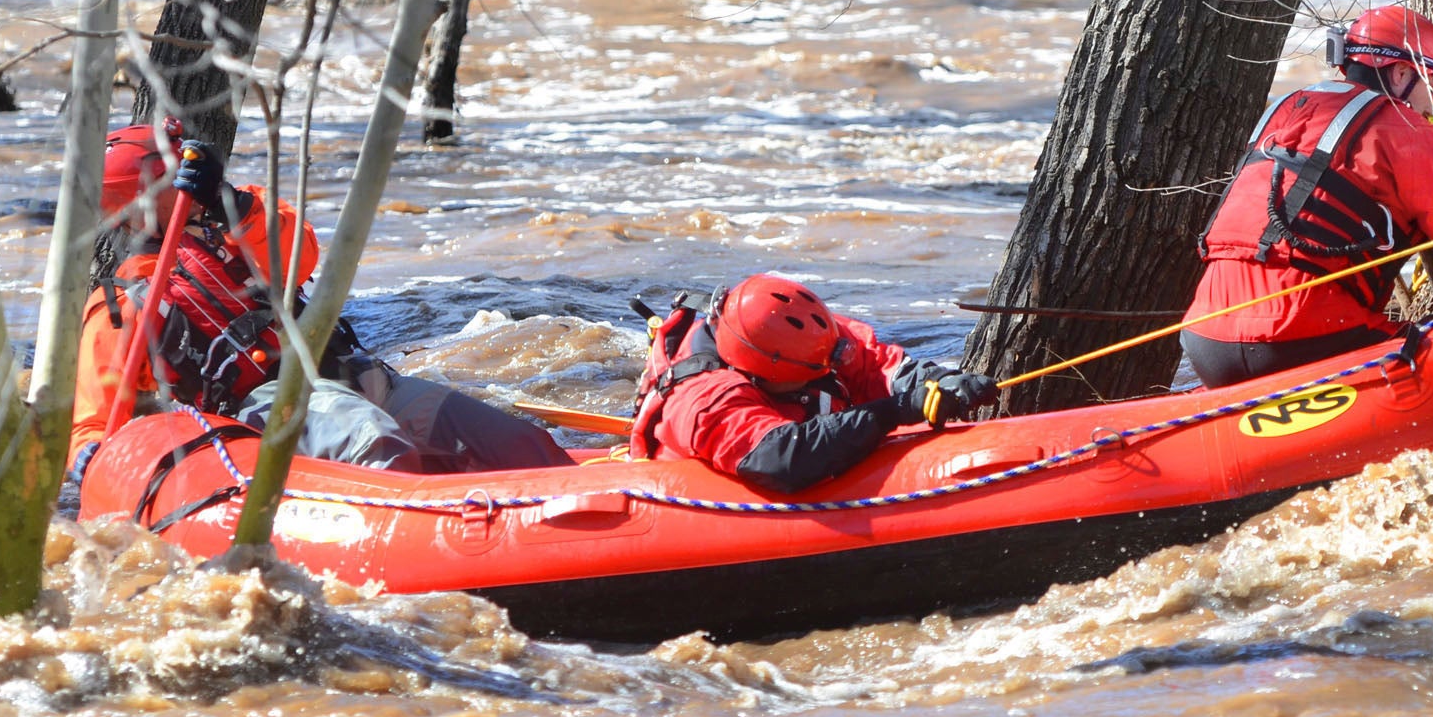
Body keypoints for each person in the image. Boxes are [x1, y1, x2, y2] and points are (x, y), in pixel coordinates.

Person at [68, 120, 572, 483]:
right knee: (375, 445)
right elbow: (93, 418)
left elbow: (300, 254)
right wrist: (89, 453)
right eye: (169, 176)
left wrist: (228, 202)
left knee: (517, 444)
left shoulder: (245, 218)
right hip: (265, 408)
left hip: (359, 379)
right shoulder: (123, 303)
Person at [1180, 5, 1433, 388]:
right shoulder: (1409, 134)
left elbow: (1418, 127)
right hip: (1305, 333)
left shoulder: (1293, 109)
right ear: (1400, 74)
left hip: (1205, 338)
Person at [629, 274, 997, 493]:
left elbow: (881, 368)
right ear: (764, 373)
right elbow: (782, 458)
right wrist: (894, 413)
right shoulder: (706, 399)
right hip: (710, 483)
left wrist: (944, 382)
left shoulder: (808, 332)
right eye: (813, 370)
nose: (827, 371)